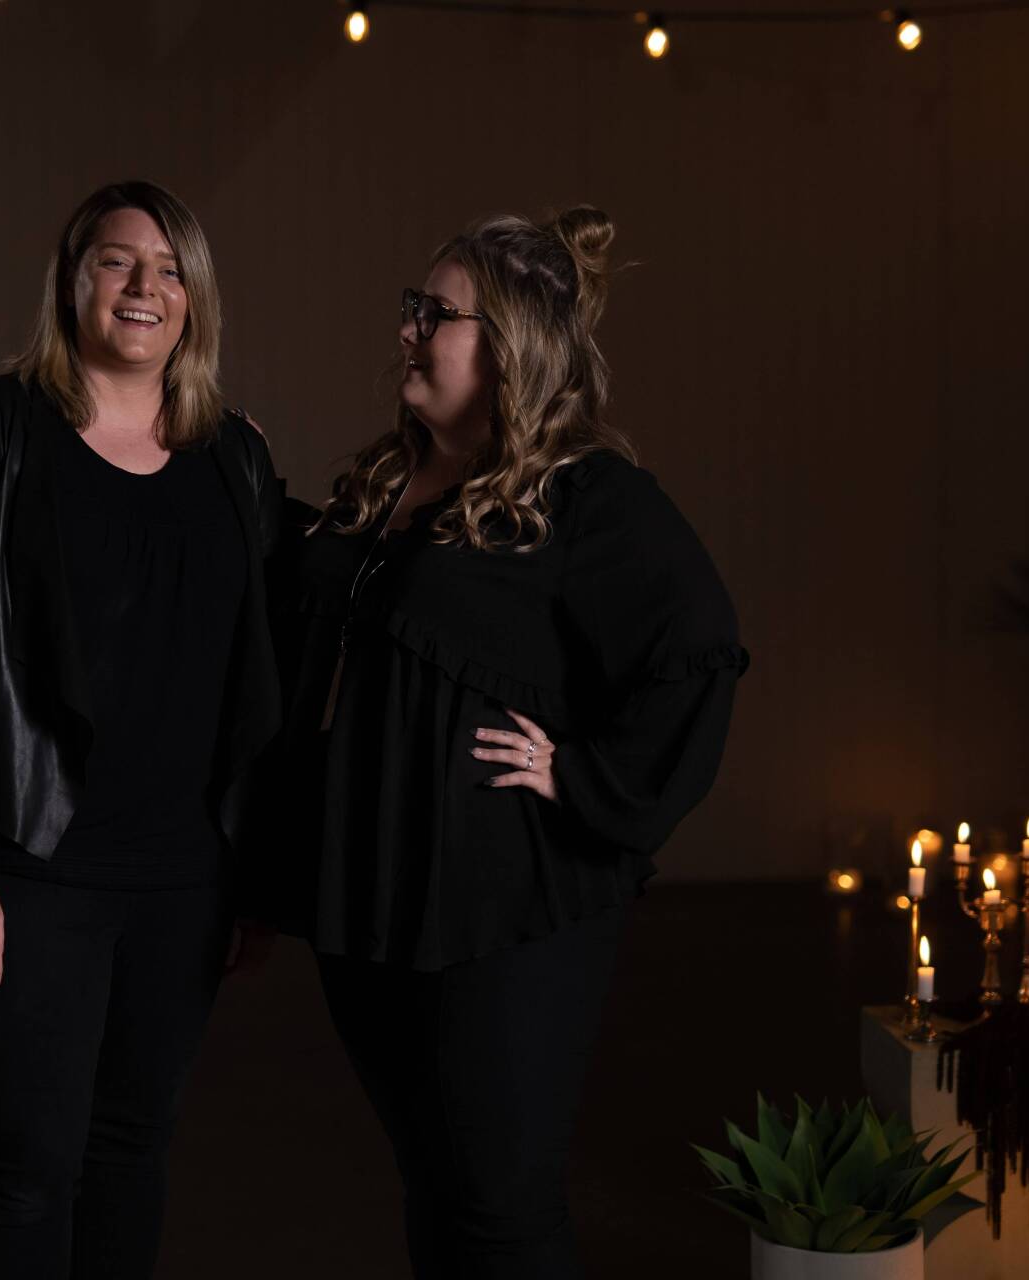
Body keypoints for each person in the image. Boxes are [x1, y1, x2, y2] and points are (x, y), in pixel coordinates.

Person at [259, 206, 748, 1277]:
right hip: (376, 907)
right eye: (412, 307)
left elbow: (698, 651)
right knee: (437, 1187)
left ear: (512, 343)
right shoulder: (385, 484)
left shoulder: (587, 497)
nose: (409, 330)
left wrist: (583, 775)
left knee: (501, 1203)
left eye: (437, 313)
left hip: (502, 908)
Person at [0, 180, 282, 1279]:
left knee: (130, 1150)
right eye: (118, 261)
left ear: (194, 301)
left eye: (169, 269)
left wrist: (254, 874)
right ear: (74, 281)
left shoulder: (233, 458)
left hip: (185, 878)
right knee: (27, 1162)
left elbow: (265, 664)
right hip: (31, 867)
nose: (145, 287)